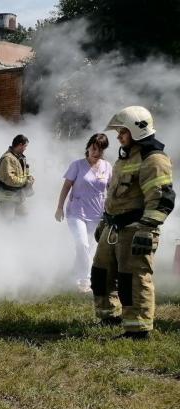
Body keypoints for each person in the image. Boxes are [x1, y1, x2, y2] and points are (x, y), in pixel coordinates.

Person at [91, 106, 174, 340]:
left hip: (136, 228)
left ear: (138, 130)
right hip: (113, 227)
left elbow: (161, 198)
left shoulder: (153, 159)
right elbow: (114, 195)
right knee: (101, 272)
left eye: (122, 131)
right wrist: (103, 222)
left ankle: (138, 328)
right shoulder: (126, 156)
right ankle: (109, 315)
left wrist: (147, 230)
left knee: (133, 278)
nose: (118, 137)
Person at [55, 134, 112, 293]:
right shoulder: (77, 165)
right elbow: (66, 187)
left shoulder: (107, 166)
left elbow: (111, 189)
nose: (96, 152)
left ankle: (75, 273)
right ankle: (85, 280)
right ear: (88, 147)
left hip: (97, 214)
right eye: (94, 148)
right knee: (82, 244)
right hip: (76, 212)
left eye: (101, 150)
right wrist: (59, 207)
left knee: (90, 248)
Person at [0, 134, 35, 218]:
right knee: (6, 225)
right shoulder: (7, 158)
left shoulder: (18, 157)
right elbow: (10, 179)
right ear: (20, 145)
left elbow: (21, 174)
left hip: (18, 197)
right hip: (7, 199)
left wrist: (28, 177)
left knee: (23, 220)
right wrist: (25, 181)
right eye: (25, 146)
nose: (25, 149)